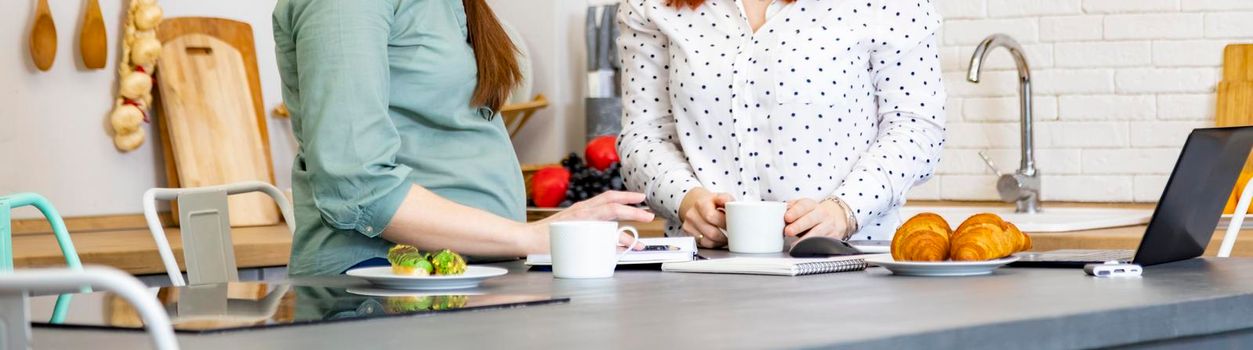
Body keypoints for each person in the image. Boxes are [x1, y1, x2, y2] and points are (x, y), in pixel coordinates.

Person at [273, 0, 653, 276]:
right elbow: (356, 185)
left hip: (471, 270)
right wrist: (531, 236)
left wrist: (530, 239)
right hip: (380, 279)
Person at [616, 0, 946, 247]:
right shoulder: (650, 6)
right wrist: (685, 199)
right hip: (701, 270)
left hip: (847, 265)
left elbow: (916, 129)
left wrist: (844, 211)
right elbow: (643, 136)